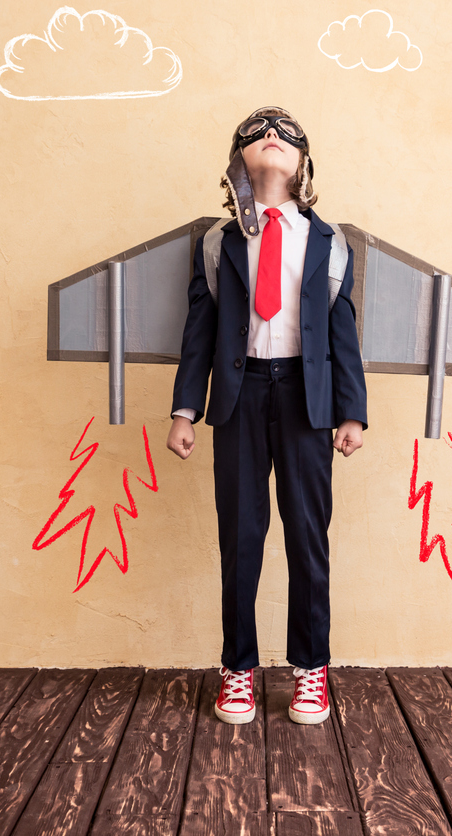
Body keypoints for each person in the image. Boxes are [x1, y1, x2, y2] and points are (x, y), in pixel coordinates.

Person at [167, 107, 368, 725]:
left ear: (303, 162)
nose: (272, 139)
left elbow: (343, 333)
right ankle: (238, 670)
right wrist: (184, 410)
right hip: (240, 395)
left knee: (308, 536)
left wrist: (350, 412)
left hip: (307, 401)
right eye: (257, 135)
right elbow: (199, 331)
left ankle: (311, 671)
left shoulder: (328, 243)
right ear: (238, 161)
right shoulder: (218, 243)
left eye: (286, 135)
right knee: (241, 537)